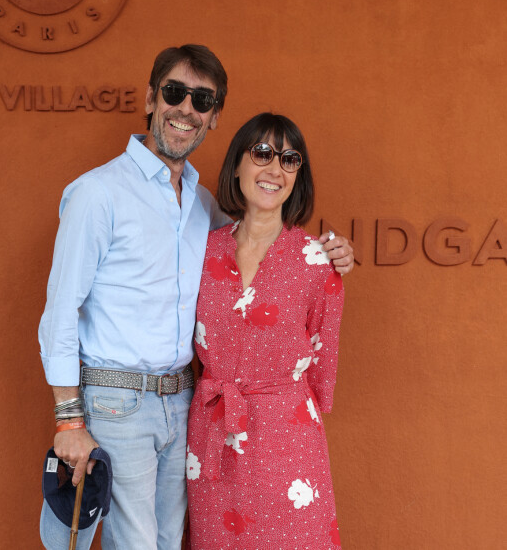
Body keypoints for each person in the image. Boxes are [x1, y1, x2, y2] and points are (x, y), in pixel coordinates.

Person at [39, 45, 353, 550]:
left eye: (201, 100)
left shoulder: (203, 209)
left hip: (185, 405)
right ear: (150, 97)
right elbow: (59, 311)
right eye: (174, 92)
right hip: (120, 401)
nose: (186, 108)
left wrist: (332, 253)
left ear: (213, 117)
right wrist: (69, 419)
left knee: (167, 542)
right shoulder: (98, 193)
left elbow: (264, 243)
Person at [186, 113, 344, 549]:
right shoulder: (203, 250)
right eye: (262, 154)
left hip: (287, 434)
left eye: (289, 159)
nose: (275, 169)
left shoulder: (318, 261)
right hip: (213, 432)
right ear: (237, 165)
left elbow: (322, 363)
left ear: (299, 176)